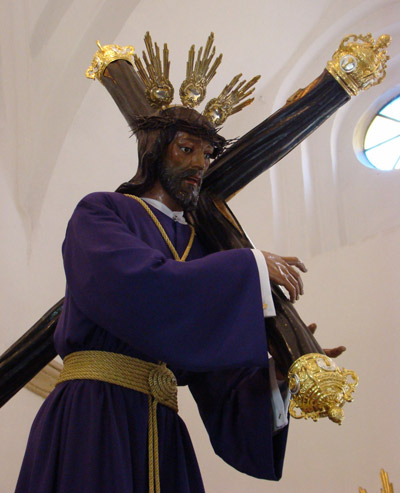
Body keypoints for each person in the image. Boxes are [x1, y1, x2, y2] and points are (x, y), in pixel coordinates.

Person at [16, 106, 311, 493]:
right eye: (187, 149)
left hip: (163, 427)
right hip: (94, 413)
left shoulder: (203, 248)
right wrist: (251, 266)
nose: (200, 164)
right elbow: (137, 287)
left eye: (208, 155)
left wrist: (276, 377)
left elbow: (217, 374)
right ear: (154, 152)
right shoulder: (102, 211)